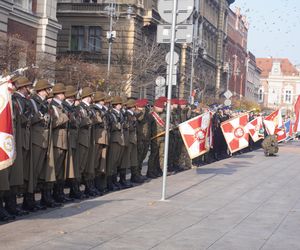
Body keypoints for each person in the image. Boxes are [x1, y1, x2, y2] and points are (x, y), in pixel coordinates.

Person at [30, 79, 61, 208]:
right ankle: (29, 200)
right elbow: (31, 118)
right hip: (37, 139)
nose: (49, 92)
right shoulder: (33, 102)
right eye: (47, 89)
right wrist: (40, 117)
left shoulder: (44, 103)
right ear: (41, 90)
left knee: (43, 170)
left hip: (45, 138)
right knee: (34, 170)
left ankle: (43, 198)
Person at [49, 83, 72, 203]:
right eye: (63, 93)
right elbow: (53, 123)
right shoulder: (52, 106)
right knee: (54, 169)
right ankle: (50, 195)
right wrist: (64, 117)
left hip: (63, 140)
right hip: (57, 140)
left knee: (60, 170)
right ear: (58, 94)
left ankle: (58, 193)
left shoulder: (62, 106)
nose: (65, 95)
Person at [62, 85, 84, 199]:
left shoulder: (72, 107)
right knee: (65, 167)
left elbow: (78, 120)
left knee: (75, 166)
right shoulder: (64, 106)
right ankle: (61, 191)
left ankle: (74, 189)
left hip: (74, 137)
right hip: (67, 138)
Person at [76, 87, 98, 197]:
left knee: (88, 164)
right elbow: (80, 121)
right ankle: (75, 189)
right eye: (91, 96)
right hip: (82, 138)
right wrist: (90, 120)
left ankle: (87, 187)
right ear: (87, 97)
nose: (92, 98)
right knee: (80, 164)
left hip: (89, 137)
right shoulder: (80, 107)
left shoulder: (90, 108)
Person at [91, 91, 109, 194]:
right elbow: (98, 121)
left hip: (103, 136)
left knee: (100, 162)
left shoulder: (102, 109)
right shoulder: (95, 109)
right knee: (95, 162)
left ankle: (98, 185)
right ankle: (93, 185)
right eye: (103, 100)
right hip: (98, 137)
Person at [107, 96, 126, 191]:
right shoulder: (111, 114)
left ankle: (114, 181)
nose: (120, 105)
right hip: (114, 139)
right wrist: (119, 125)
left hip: (120, 139)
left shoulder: (120, 114)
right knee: (112, 161)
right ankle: (110, 182)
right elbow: (111, 126)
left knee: (117, 162)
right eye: (119, 104)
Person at [147, 99, 166, 178]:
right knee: (154, 155)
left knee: (161, 155)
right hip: (155, 137)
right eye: (160, 107)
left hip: (163, 136)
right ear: (155, 107)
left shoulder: (164, 114)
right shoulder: (151, 115)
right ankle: (150, 171)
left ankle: (158, 169)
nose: (162, 108)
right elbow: (149, 127)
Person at [135, 99, 151, 182]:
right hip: (140, 138)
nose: (146, 108)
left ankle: (139, 173)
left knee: (142, 157)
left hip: (146, 138)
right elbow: (140, 118)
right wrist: (143, 110)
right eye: (144, 106)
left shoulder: (146, 114)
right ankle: (136, 175)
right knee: (138, 157)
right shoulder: (137, 112)